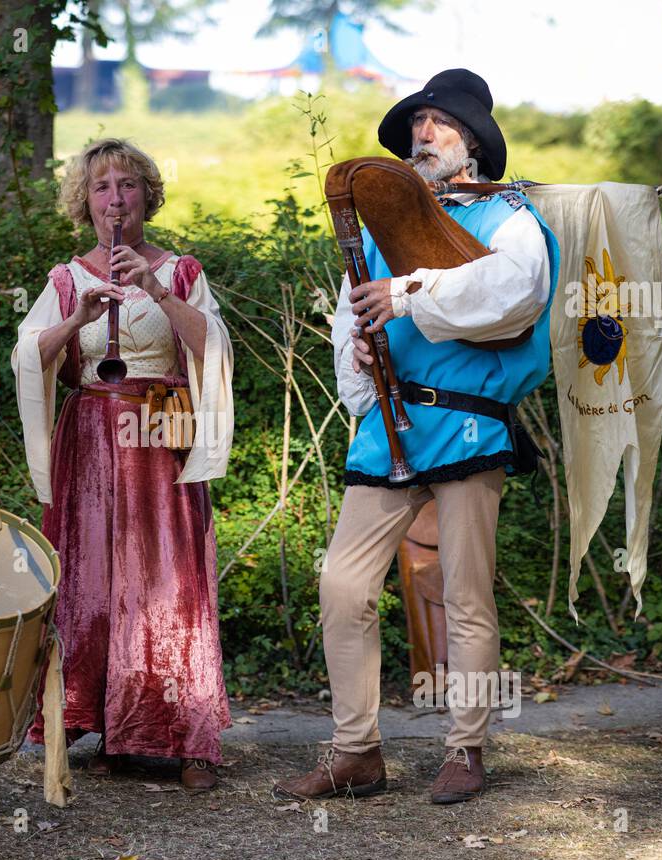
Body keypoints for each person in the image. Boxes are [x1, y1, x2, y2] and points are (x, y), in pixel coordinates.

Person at [273, 69, 560, 805]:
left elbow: (513, 297)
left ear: (473, 143)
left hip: (468, 423)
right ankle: (355, 752)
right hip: (388, 428)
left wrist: (407, 295)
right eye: (416, 124)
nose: (420, 135)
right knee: (342, 585)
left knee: (464, 594)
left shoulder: (512, 221)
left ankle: (465, 747)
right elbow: (349, 317)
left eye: (437, 123)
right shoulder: (376, 231)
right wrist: (362, 358)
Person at [12, 138, 235, 790]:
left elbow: (214, 348)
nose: (116, 197)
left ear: (148, 194)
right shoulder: (65, 279)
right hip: (90, 435)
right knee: (95, 580)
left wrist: (158, 293)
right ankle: (114, 721)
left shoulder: (183, 270)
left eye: (128, 185)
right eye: (102, 187)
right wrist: (75, 316)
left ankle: (189, 738)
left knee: (170, 576)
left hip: (162, 420)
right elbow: (30, 357)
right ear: (85, 201)